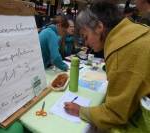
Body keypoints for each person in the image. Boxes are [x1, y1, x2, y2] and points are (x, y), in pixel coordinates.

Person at [64, 1, 150, 131]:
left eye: (85, 36)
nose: (86, 44)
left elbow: (116, 114)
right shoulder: (138, 31)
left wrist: (81, 110)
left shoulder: (122, 51)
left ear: (99, 27)